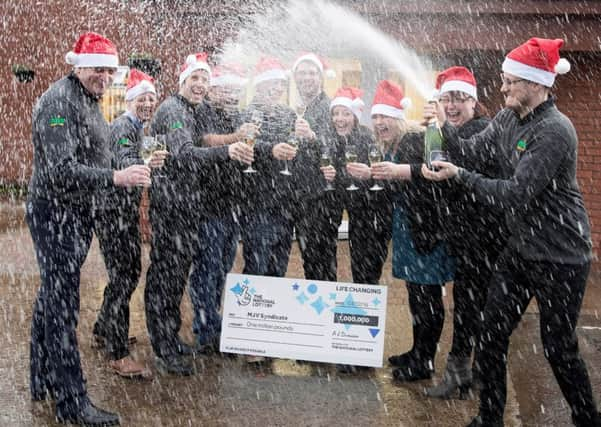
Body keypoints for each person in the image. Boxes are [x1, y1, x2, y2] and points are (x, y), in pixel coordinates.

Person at [422, 38, 601, 427]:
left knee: (559, 348)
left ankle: (587, 419)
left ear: (535, 84)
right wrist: (442, 134)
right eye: (503, 80)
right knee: (490, 335)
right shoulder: (506, 118)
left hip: (561, 256)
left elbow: (515, 194)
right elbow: (470, 153)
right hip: (520, 250)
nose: (501, 88)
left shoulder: (555, 130)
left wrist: (462, 176)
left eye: (509, 81)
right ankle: (490, 418)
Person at [27, 32, 151, 426]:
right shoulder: (59, 103)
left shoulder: (87, 98)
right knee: (62, 308)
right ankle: (72, 404)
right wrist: (116, 177)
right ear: (78, 66)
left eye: (110, 69)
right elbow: (60, 170)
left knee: (52, 297)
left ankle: (41, 378)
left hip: (75, 214)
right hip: (57, 214)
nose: (105, 75)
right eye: (98, 68)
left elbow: (94, 152)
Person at [145, 53, 253, 376]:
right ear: (183, 81)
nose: (201, 85)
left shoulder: (192, 109)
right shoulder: (174, 111)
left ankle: (171, 336)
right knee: (165, 277)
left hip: (185, 209)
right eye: (195, 79)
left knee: (176, 277)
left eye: (205, 80)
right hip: (172, 210)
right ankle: (163, 348)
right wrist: (227, 151)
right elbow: (183, 154)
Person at [359, 80, 455, 382]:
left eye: (384, 117)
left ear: (397, 118)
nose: (379, 123)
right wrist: (369, 173)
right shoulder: (392, 144)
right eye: (375, 118)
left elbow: (433, 172)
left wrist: (402, 171)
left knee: (427, 295)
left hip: (426, 229)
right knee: (416, 294)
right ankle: (416, 351)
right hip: (408, 226)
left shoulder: (416, 137)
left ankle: (425, 360)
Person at [423, 67, 506, 399]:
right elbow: (436, 162)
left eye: (459, 98)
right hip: (464, 238)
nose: (452, 105)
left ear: (474, 102)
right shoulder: (449, 129)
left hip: (485, 238)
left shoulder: (483, 128)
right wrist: (432, 133)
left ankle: (474, 374)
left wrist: (442, 124)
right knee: (468, 306)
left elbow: (467, 155)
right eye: (446, 98)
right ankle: (466, 373)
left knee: (478, 308)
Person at [91, 69, 164, 378]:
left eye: (152, 99)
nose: (148, 104)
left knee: (128, 272)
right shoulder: (124, 126)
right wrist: (147, 162)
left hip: (120, 211)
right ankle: (118, 353)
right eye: (142, 99)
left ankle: (102, 329)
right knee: (124, 276)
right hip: (113, 213)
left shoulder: (136, 127)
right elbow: (123, 164)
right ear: (131, 101)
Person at [188, 63, 253, 353]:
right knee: (207, 269)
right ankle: (205, 331)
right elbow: (206, 140)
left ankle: (214, 322)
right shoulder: (202, 111)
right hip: (208, 208)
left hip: (231, 208)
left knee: (223, 269)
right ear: (214, 89)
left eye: (236, 89)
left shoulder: (235, 114)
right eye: (227, 88)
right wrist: (236, 138)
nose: (232, 93)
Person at [328, 86, 388, 374]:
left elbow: (376, 177)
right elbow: (338, 175)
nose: (340, 119)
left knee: (365, 278)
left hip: (370, 217)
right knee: (357, 275)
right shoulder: (331, 139)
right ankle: (352, 345)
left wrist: (362, 177)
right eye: (336, 113)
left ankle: (361, 350)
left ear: (354, 115)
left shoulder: (366, 138)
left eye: (345, 114)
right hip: (352, 215)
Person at [290, 52, 341, 282]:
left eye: (312, 73)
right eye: (301, 73)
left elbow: (334, 146)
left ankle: (325, 314)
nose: (306, 78)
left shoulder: (330, 108)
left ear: (321, 77)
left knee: (323, 260)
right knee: (310, 260)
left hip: (322, 199)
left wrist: (311, 136)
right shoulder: (300, 107)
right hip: (303, 197)